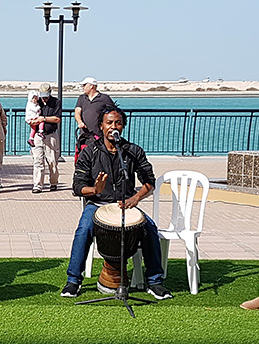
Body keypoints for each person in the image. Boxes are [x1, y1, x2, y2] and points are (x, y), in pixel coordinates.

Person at [60, 105, 173, 300]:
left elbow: (149, 182)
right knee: (83, 229)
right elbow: (77, 187)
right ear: (101, 126)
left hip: (126, 205)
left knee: (150, 228)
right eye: (109, 122)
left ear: (123, 126)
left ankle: (155, 282)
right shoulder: (89, 152)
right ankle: (73, 281)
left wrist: (135, 198)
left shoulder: (132, 151)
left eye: (118, 123)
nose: (114, 126)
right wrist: (95, 190)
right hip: (97, 206)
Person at [29, 83, 61, 194]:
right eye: (43, 95)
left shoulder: (56, 102)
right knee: (38, 161)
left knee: (52, 160)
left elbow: (57, 119)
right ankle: (37, 185)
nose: (44, 98)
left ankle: (53, 182)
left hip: (51, 135)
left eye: (46, 95)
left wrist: (43, 119)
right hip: (37, 135)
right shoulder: (35, 102)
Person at [74, 77, 114, 160]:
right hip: (84, 136)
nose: (83, 87)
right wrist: (80, 122)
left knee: (99, 157)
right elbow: (77, 112)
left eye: (84, 85)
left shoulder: (104, 98)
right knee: (84, 158)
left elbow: (113, 113)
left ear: (91, 86)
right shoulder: (82, 98)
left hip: (99, 135)